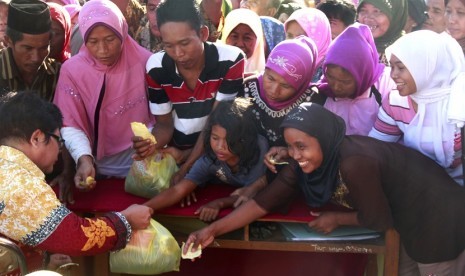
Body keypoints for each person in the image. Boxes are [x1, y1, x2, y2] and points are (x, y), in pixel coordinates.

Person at [185, 103, 465, 276]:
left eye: (302, 146)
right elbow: (263, 204)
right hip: (408, 223)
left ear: (323, 139)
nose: (295, 154)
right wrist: (211, 231)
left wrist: (337, 219)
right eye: (290, 145)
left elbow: (379, 219)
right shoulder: (304, 159)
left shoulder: (355, 163)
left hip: (437, 218)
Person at [0, 91, 153, 260]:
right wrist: (126, 220)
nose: (60, 149)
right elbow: (76, 238)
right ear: (36, 138)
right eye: (58, 140)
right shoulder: (21, 183)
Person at [133, 0, 245, 186]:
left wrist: (187, 169)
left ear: (203, 34)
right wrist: (150, 144)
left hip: (218, 158)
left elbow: (214, 123)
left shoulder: (231, 60)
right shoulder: (156, 67)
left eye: (185, 43)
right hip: (178, 157)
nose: (178, 54)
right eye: (168, 45)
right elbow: (164, 125)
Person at [53, 0, 154, 185]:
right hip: (95, 166)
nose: (103, 50)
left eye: (110, 39)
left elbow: (161, 116)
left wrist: (151, 143)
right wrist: (84, 159)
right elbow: (70, 122)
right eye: (93, 41)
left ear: (122, 32)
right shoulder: (72, 71)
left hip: (143, 164)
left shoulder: (145, 62)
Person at [143, 98, 268, 222]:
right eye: (215, 138)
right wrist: (144, 208)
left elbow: (252, 192)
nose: (220, 147)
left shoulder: (259, 150)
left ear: (243, 139)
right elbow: (178, 190)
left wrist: (220, 203)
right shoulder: (209, 158)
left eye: (229, 140)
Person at [369, 30, 465, 185]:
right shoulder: (396, 100)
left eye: (401, 68)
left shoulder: (459, 99)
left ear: (427, 67)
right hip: (417, 188)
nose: (393, 75)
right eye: (391, 67)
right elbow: (376, 147)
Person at [242, 36, 325, 148]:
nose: (274, 90)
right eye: (270, 78)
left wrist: (288, 152)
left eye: (285, 85)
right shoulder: (249, 87)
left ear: (302, 84)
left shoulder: (312, 101)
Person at [318, 23, 395, 135]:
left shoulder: (387, 86)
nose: (336, 87)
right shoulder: (322, 93)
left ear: (363, 74)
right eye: (330, 77)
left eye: (345, 82)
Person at [0, 0, 60, 102]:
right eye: (28, 48)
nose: (36, 58)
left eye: (43, 48)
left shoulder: (58, 74)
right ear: (8, 41)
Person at [284, 8, 331, 82]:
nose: (294, 42)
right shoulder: (281, 59)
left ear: (319, 38)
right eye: (289, 35)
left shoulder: (329, 71)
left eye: (302, 37)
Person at [357, 0, 407, 64]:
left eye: (376, 11)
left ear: (395, 15)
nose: (368, 18)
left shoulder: (405, 52)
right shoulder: (350, 45)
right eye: (363, 10)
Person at [221, 8, 265, 74]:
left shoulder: (265, 80)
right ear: (225, 37)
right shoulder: (210, 70)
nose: (240, 44)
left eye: (247, 38)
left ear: (257, 41)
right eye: (234, 36)